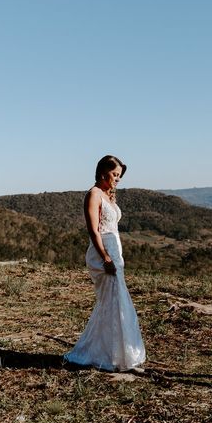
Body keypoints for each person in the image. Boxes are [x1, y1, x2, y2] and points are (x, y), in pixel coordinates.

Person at [64, 155, 146, 371]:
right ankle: (109, 354)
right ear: (102, 172)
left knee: (116, 301)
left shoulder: (110, 196)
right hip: (103, 253)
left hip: (114, 250)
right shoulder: (94, 194)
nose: (117, 179)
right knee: (112, 302)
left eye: (119, 176)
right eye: (114, 174)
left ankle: (117, 352)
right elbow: (93, 230)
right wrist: (106, 257)